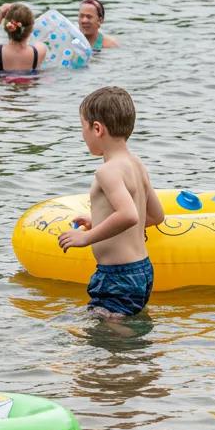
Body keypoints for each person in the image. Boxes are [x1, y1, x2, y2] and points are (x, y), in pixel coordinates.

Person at [57, 87, 165, 319]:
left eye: (82, 127)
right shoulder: (136, 164)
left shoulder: (107, 171)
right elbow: (156, 216)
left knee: (112, 340)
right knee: (123, 328)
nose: (81, 134)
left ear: (97, 128)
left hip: (117, 275)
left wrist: (86, 237)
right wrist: (97, 221)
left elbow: (128, 215)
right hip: (142, 271)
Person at [0, 3, 46, 74]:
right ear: (31, 28)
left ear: (7, 26)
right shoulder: (39, 51)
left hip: (1, 83)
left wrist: (0, 17)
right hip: (30, 84)